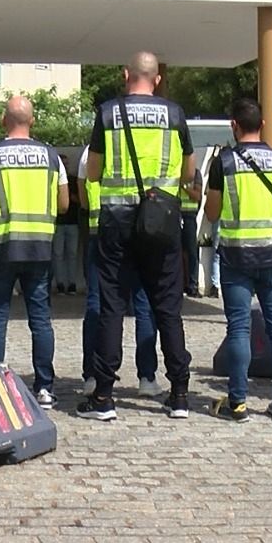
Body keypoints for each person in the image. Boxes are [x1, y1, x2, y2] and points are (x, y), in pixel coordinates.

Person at [79, 52, 195, 422]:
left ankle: (104, 395)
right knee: (167, 307)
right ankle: (179, 394)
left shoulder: (108, 113)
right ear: (157, 79)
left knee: (112, 306)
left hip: (117, 220)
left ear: (125, 75)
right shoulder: (175, 114)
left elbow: (93, 172)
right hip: (162, 221)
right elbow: (188, 171)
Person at [205, 99, 272, 422]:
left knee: (239, 329)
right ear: (263, 125)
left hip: (237, 255)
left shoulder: (225, 162)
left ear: (234, 125)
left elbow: (212, 211)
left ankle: (238, 403)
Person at [0, 95, 68, 404]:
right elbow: (64, 203)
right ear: (33, 121)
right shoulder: (51, 157)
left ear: (4, 120)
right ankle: (44, 387)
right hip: (39, 248)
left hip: (0, 246)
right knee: (40, 320)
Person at [77, 142, 158, 397]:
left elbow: (83, 194)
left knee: (98, 303)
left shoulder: (91, 151)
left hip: (102, 231)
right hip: (142, 231)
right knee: (143, 305)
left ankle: (93, 374)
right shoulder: (149, 146)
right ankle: (147, 377)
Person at [52, 153, 82, 296]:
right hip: (58, 222)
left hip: (72, 222)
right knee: (58, 254)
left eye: (66, 164)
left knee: (72, 255)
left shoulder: (74, 180)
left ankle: (71, 284)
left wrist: (72, 197)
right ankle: (60, 284)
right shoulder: (53, 180)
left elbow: (82, 200)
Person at [181, 167, 203, 298]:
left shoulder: (195, 173)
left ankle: (192, 285)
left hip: (189, 215)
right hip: (173, 213)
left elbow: (197, 196)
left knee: (191, 252)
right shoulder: (174, 170)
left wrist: (183, 187)